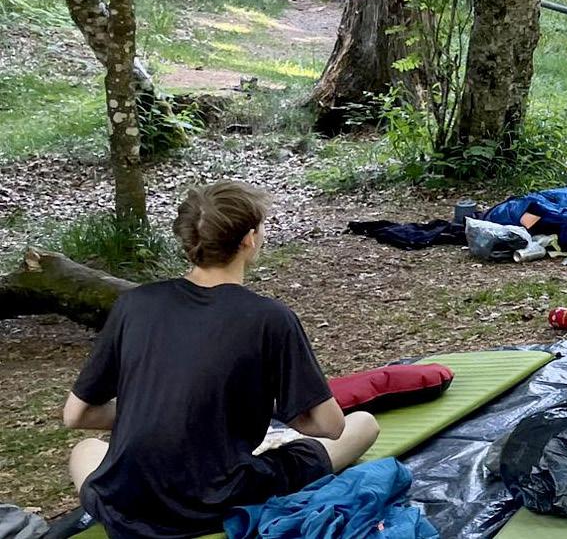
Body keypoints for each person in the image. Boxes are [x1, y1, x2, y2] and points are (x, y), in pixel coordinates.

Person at [63, 181, 380, 538]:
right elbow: (330, 425)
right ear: (249, 239)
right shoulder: (270, 318)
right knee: (363, 424)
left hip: (126, 501)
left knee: (85, 450)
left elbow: (77, 415)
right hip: (216, 501)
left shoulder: (133, 304)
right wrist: (249, 418)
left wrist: (164, 414)